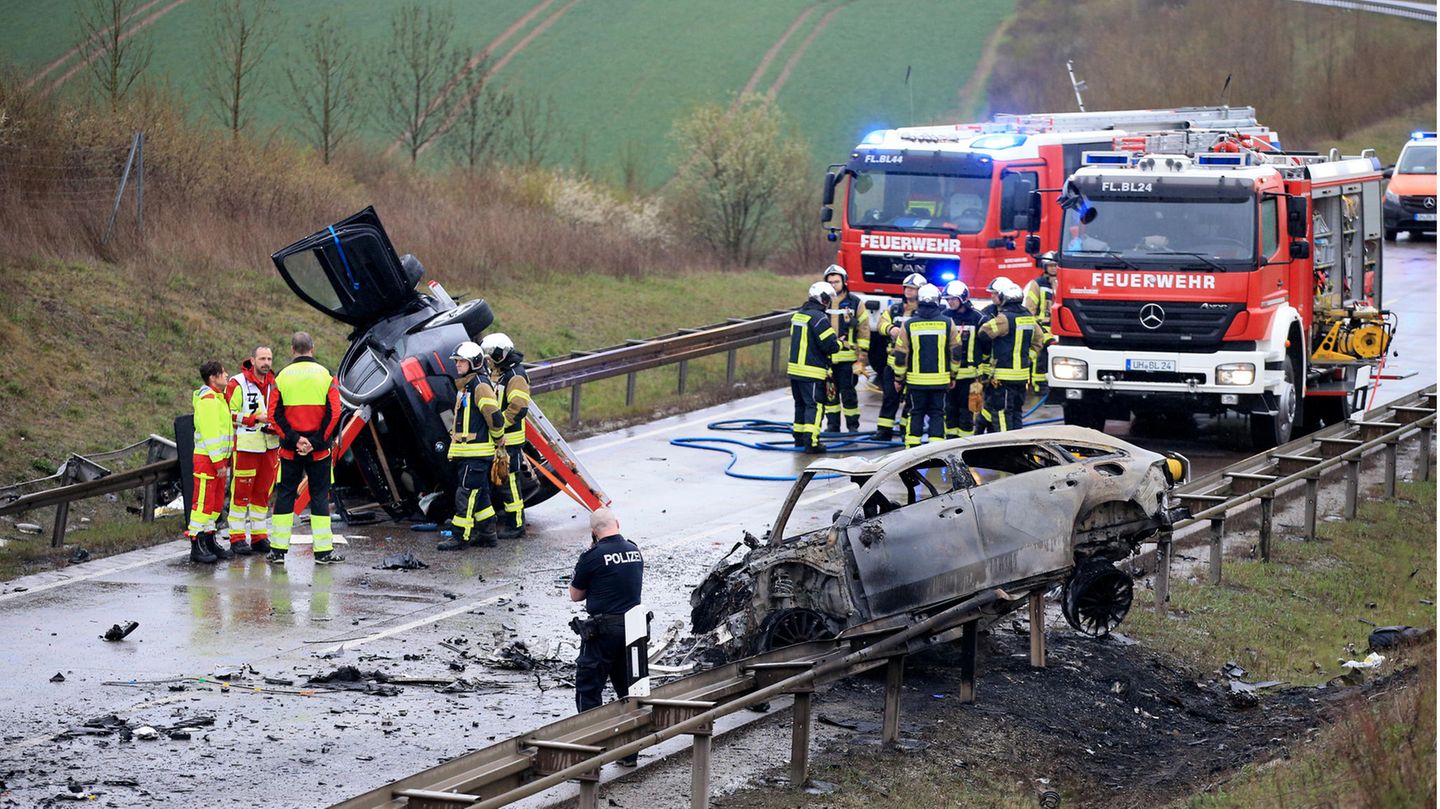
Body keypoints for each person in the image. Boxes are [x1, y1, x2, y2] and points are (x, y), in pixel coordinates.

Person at [569, 507, 644, 765]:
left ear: (593, 532)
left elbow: (576, 595)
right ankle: (629, 753)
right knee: (628, 690)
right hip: (633, 630)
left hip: (602, 633)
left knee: (589, 690)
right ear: (618, 523)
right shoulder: (634, 550)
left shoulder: (592, 556)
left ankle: (591, 755)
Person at [267, 332, 344, 564]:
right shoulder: (325, 375)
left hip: (290, 451)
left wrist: (295, 440)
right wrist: (315, 442)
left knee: (286, 496)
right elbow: (335, 413)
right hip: (319, 452)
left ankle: (278, 551)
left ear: (292, 349)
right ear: (313, 348)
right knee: (319, 496)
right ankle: (323, 552)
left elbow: (273, 415)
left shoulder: (281, 377)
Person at [441, 340, 506, 550]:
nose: (457, 365)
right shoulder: (468, 385)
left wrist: (499, 441)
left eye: (462, 361)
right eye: (457, 361)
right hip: (468, 453)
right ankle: (488, 534)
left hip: (476, 453)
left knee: (466, 495)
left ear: (474, 363)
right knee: (481, 496)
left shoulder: (480, 386)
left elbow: (495, 418)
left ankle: (461, 537)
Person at [224, 346, 279, 556]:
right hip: (247, 445)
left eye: (269, 359)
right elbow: (229, 413)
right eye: (262, 358)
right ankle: (237, 537)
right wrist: (255, 418)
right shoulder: (237, 383)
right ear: (253, 360)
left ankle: (259, 536)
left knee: (262, 493)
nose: (266, 362)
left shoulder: (274, 384)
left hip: (270, 445)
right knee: (241, 493)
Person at [891, 284, 959, 446]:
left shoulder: (909, 325)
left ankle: (912, 450)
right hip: (940, 381)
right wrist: (953, 375)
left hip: (916, 382)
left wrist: (898, 379)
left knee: (916, 413)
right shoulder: (948, 323)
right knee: (937, 413)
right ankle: (935, 451)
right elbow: (956, 352)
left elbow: (901, 354)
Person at [977, 280, 1045, 433]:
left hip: (1004, 376)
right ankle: (1017, 443)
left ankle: (1004, 445)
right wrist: (1027, 358)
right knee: (1016, 412)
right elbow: (1039, 340)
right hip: (1022, 375)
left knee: (1002, 412)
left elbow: (983, 333)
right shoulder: (1028, 317)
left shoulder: (1004, 318)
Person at [483, 332, 529, 539]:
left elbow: (518, 408)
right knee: (500, 482)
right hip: (498, 439)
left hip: (509, 440)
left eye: (491, 356)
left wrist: (498, 425)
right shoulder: (499, 373)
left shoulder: (515, 375)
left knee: (510, 483)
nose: (489, 360)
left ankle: (517, 525)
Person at [188, 360, 234, 564]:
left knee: (214, 504)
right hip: (208, 460)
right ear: (213, 378)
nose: (226, 376)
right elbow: (210, 434)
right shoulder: (208, 399)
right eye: (223, 373)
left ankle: (209, 540)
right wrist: (218, 463)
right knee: (203, 504)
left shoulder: (218, 398)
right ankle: (196, 545)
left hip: (217, 459)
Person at [787, 281, 841, 453]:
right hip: (812, 371)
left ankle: (799, 438)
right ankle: (812, 442)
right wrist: (839, 342)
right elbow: (830, 345)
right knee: (815, 405)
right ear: (823, 299)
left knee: (800, 405)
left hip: (794, 370)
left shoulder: (798, 316)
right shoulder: (819, 318)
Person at [874, 273, 925, 440]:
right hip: (893, 362)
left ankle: (906, 429)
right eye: (907, 288)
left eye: (912, 288)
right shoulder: (895, 309)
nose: (908, 291)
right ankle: (884, 431)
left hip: (914, 364)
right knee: (890, 396)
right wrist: (890, 329)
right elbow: (880, 323)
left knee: (911, 400)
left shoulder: (925, 311)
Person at [821, 265, 869, 433]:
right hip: (827, 358)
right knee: (830, 394)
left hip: (848, 359)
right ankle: (833, 426)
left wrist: (862, 357)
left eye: (837, 281)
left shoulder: (855, 303)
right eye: (830, 282)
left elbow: (863, 329)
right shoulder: (821, 302)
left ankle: (852, 426)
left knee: (848, 394)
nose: (833, 285)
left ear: (844, 282)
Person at [942, 281, 985, 438]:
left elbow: (986, 345)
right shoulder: (945, 317)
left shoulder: (978, 318)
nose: (950, 302)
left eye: (953, 299)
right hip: (949, 374)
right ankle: (950, 441)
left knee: (967, 410)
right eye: (948, 299)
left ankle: (965, 442)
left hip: (970, 375)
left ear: (963, 299)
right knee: (950, 409)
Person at [1022, 252, 1059, 396]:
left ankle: (1054, 383)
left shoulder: (1063, 282)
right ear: (1044, 267)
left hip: (1058, 326)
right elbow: (1030, 306)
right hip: (1041, 325)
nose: (1054, 268)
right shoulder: (1037, 284)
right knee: (1042, 354)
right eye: (1050, 265)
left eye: (1056, 265)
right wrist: (1032, 325)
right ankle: (1039, 384)